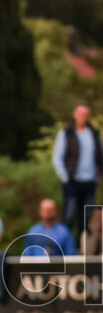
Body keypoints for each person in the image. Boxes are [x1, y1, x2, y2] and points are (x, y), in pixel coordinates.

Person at [52, 103, 102, 240]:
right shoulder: (66, 133)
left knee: (87, 216)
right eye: (81, 114)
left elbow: (99, 155)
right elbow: (57, 156)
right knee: (69, 213)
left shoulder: (94, 133)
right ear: (75, 115)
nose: (83, 117)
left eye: (86, 114)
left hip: (90, 180)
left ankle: (83, 247)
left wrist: (98, 175)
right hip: (72, 180)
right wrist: (64, 176)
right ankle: (64, 244)